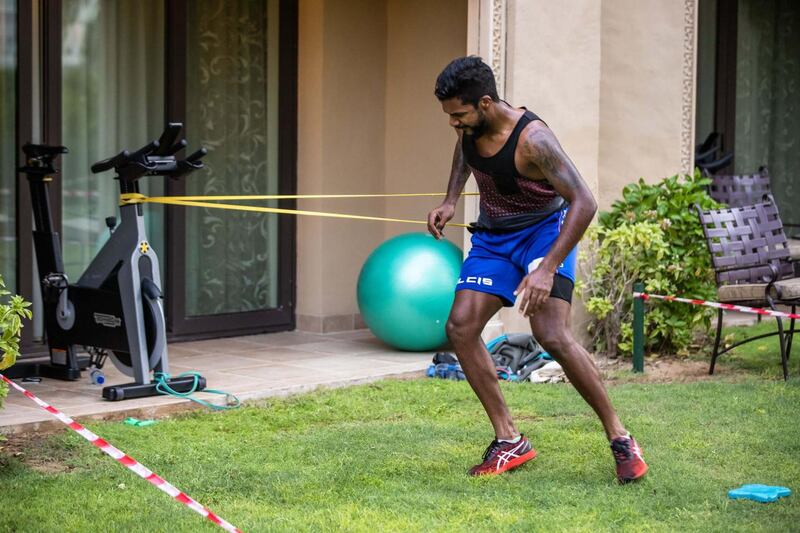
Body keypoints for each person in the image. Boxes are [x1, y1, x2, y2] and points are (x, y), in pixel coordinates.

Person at [427, 56, 648, 483]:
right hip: (494, 237)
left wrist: (546, 269)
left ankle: (620, 437)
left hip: (545, 235)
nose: (454, 124)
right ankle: (509, 440)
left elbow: (584, 202)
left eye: (459, 115)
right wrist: (451, 199)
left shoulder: (534, 140)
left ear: (486, 103)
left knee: (551, 335)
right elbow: (464, 152)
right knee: (460, 327)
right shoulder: (471, 129)